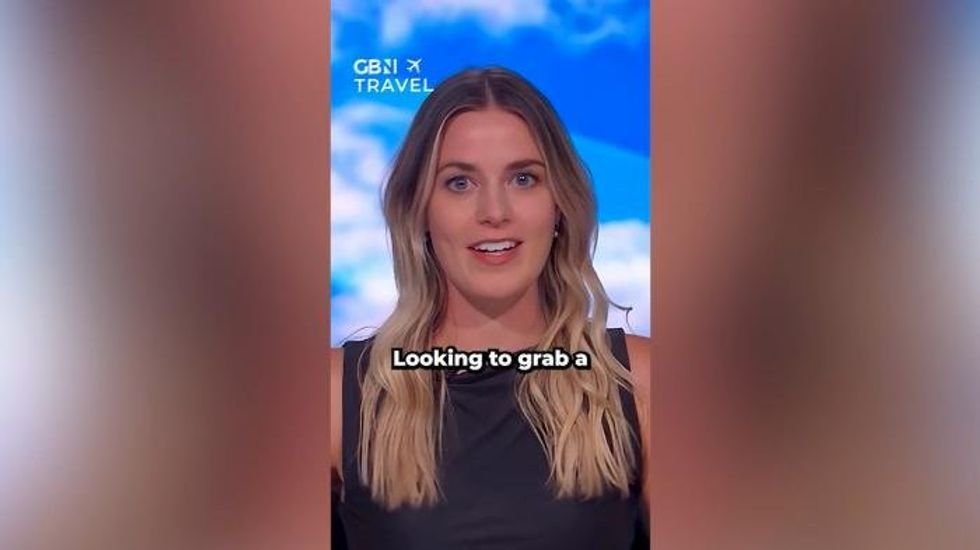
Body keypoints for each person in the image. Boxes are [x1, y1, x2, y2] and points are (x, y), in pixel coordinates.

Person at [330, 66, 651, 550]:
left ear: (559, 204)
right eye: (460, 183)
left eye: (523, 179)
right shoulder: (335, 395)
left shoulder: (641, 384)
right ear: (419, 209)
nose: (495, 212)